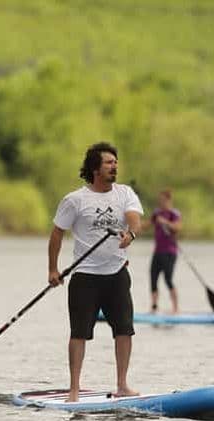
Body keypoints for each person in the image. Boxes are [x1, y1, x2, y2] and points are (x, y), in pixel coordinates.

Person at [47, 142, 144, 403]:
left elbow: (135, 219)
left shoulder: (124, 193)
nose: (115, 166)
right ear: (95, 168)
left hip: (117, 274)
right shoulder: (75, 200)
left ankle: (122, 385)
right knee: (79, 333)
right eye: (109, 162)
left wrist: (131, 234)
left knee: (124, 330)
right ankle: (74, 390)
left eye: (116, 162)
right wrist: (53, 269)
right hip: (85, 277)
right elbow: (57, 234)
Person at [148, 189, 182, 313]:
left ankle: (175, 308)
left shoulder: (174, 213)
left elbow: (177, 227)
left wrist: (165, 222)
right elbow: (147, 225)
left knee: (168, 279)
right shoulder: (156, 213)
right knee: (153, 277)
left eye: (163, 200)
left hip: (170, 252)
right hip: (157, 251)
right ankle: (154, 306)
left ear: (169, 200)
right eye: (159, 200)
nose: (161, 202)